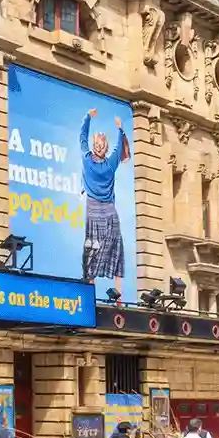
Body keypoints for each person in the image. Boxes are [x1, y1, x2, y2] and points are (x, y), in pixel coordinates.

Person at [78, 108, 132, 299]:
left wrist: (87, 117)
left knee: (93, 248)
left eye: (100, 144)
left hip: (94, 210)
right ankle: (120, 296)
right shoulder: (110, 164)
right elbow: (120, 149)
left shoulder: (87, 160)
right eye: (98, 143)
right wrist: (120, 129)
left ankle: (91, 294)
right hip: (108, 211)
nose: (98, 146)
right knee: (115, 248)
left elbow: (82, 138)